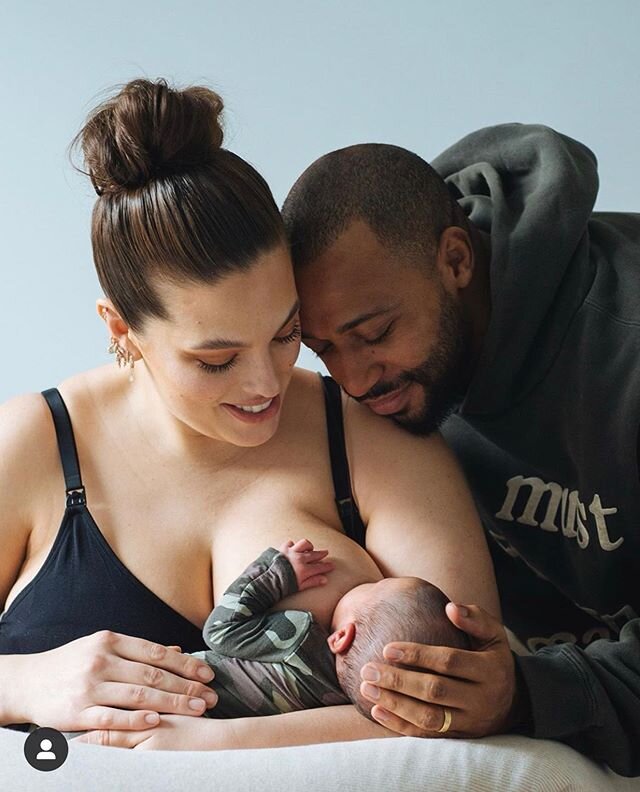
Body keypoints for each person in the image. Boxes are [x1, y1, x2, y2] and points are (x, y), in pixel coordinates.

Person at [0, 78, 499, 753]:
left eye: (286, 332)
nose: (266, 383)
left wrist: (214, 748)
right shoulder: (33, 442)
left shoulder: (376, 442)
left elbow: (471, 697)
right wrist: (25, 685)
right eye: (217, 359)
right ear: (122, 329)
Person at [281, 124, 640, 776]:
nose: (357, 381)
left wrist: (533, 693)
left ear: (455, 261)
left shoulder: (624, 348)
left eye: (376, 333)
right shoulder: (398, 392)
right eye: (325, 348)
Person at [189, 538, 467, 719]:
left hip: (182, 691)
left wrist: (277, 573)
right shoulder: (344, 703)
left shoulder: (298, 640)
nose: (373, 580)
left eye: (376, 586)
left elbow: (219, 631)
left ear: (341, 637)